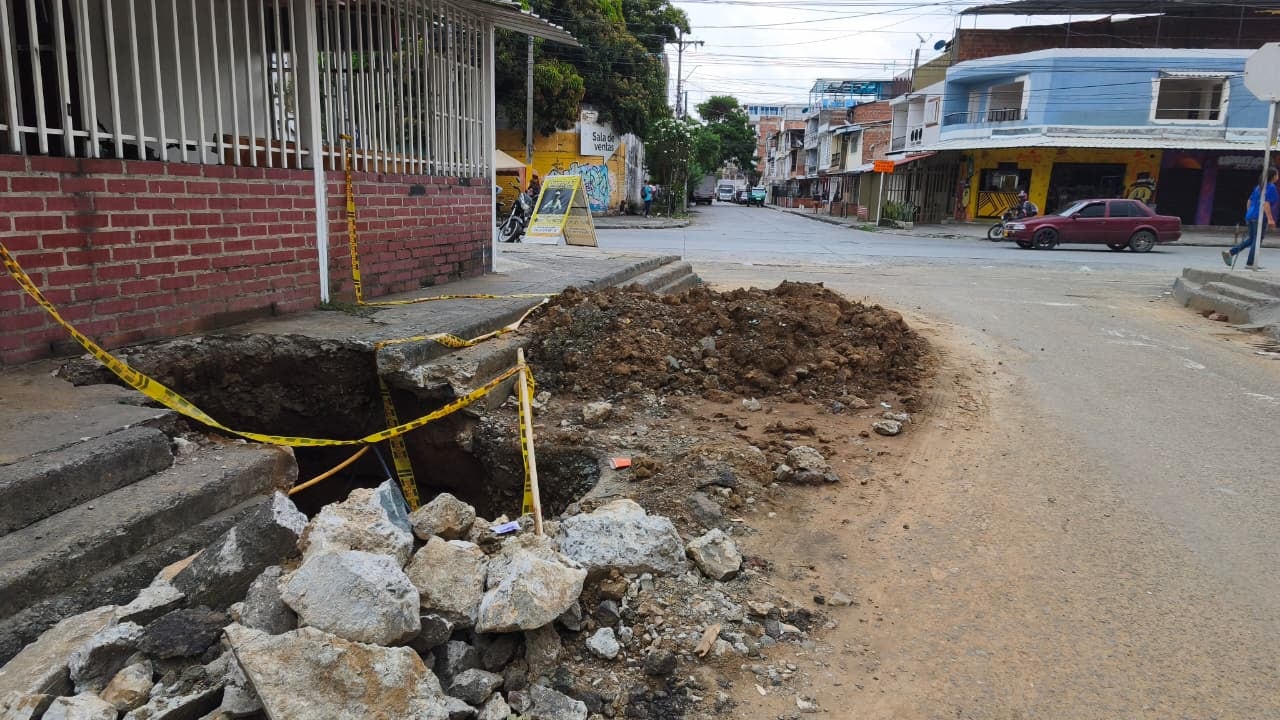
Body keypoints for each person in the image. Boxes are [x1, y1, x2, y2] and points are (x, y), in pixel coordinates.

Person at [1223, 166, 1278, 269]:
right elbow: (1266, 203)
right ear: (1274, 176)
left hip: (1250, 215)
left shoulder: (1258, 187)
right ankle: (1250, 263)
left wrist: (1249, 214)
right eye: (1277, 174)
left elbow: (1249, 201)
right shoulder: (1271, 187)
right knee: (1257, 240)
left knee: (1251, 239)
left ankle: (1230, 252)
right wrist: (1270, 219)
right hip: (1259, 217)